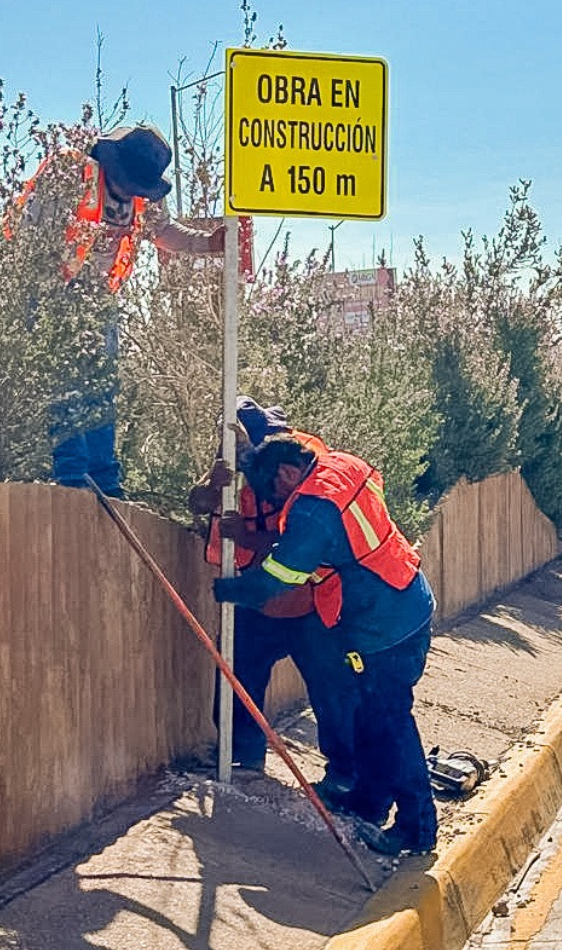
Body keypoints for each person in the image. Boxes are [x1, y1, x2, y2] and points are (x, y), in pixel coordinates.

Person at [212, 434, 438, 857]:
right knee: (372, 720)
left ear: (286, 473)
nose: (278, 502)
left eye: (276, 492)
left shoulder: (313, 510)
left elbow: (278, 579)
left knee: (390, 724)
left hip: (381, 625)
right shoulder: (343, 465)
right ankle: (369, 804)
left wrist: (228, 591)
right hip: (405, 597)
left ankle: (417, 827)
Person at [5, 124, 225, 497]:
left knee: (103, 387)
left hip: (98, 298)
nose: (134, 193)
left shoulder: (143, 197)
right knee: (68, 384)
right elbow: (29, 229)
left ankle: (105, 483)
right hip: (51, 289)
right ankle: (74, 481)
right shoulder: (72, 173)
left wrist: (208, 244)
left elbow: (163, 231)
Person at [190, 397, 355, 783]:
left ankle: (345, 774)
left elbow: (303, 540)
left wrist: (245, 535)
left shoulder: (301, 465)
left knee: (332, 689)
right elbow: (196, 503)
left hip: (308, 600)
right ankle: (243, 754)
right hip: (257, 601)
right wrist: (214, 486)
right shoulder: (230, 466)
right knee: (237, 674)